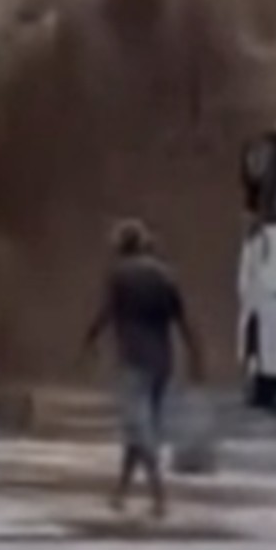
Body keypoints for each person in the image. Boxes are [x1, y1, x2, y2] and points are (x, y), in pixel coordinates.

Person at [80, 218, 202, 518]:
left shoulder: (120, 275)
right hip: (163, 362)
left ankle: (159, 496)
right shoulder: (165, 276)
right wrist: (196, 357)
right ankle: (120, 493)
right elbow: (183, 321)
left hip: (133, 361)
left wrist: (89, 340)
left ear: (121, 245)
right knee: (141, 428)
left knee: (139, 429)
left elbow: (106, 312)